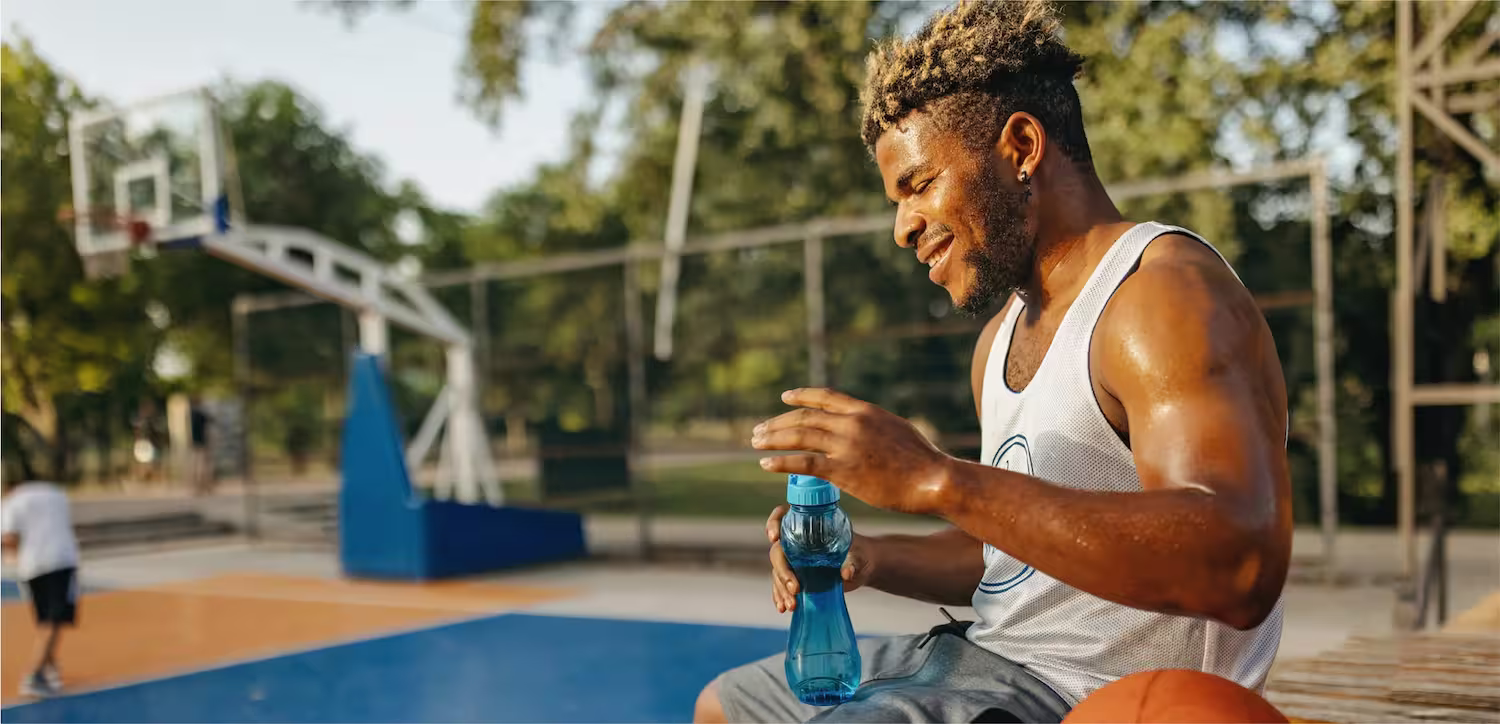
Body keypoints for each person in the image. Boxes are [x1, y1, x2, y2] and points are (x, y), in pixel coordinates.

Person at [696, 2, 1292, 722]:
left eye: (918, 185)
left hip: (1083, 696)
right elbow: (1007, 556)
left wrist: (937, 478)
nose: (902, 227)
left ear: (1020, 147)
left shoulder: (1158, 298)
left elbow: (1240, 566)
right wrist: (870, 556)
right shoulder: (1000, 341)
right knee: (727, 706)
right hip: (978, 657)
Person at [1, 466, 82, 698]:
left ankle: (49, 667)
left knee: (46, 621)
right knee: (54, 621)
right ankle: (35, 675)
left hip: (32, 567)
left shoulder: (12, 501)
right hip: (60, 561)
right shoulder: (58, 494)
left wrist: (15, 555)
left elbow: (8, 539)